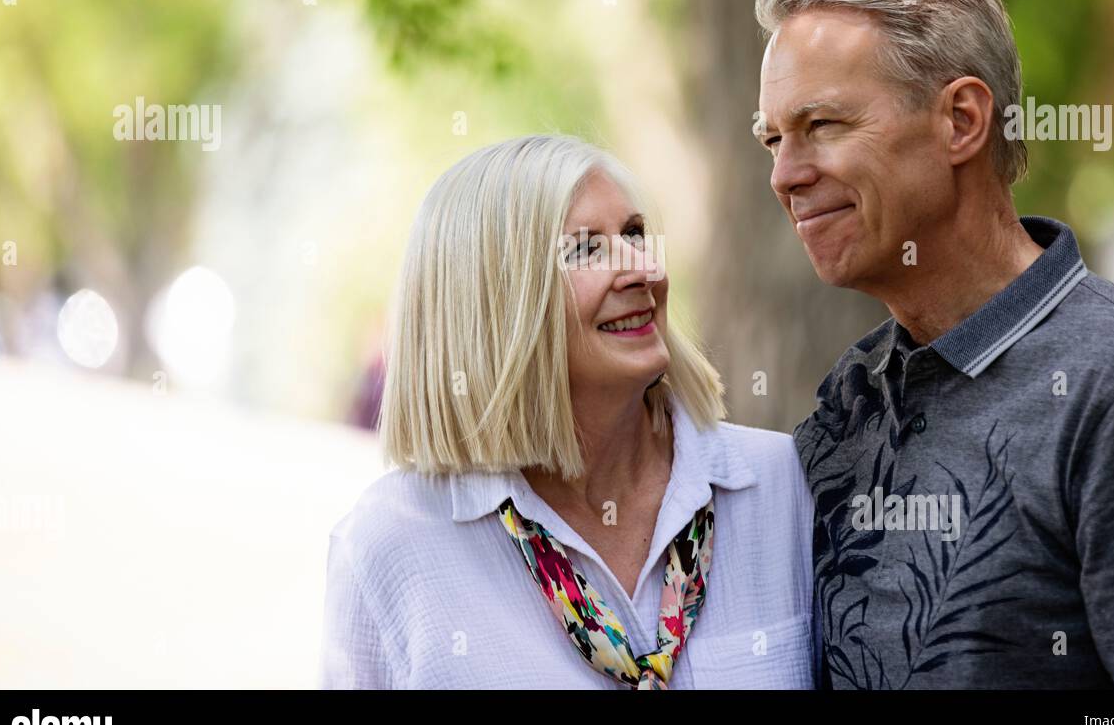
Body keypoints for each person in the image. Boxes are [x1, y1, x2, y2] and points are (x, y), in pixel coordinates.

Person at [754, 0, 1114, 689]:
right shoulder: (848, 403)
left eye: (822, 124)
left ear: (961, 120)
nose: (784, 174)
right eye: (771, 138)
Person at [320, 134, 816, 689]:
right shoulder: (390, 545)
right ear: (496, 303)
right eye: (585, 249)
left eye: (633, 234)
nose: (642, 271)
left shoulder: (784, 487)